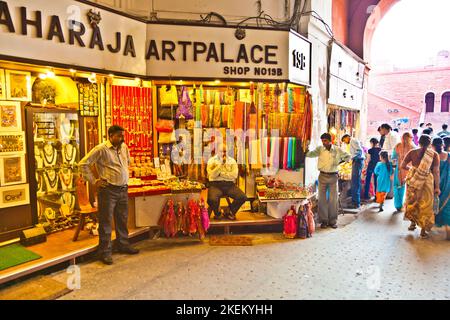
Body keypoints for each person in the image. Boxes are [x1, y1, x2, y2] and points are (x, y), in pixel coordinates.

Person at [79, 125, 139, 265]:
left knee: (122, 219)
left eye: (123, 135)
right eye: (119, 136)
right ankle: (104, 252)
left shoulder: (124, 147)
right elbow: (83, 164)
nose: (122, 138)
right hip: (108, 191)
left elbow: (127, 162)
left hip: (123, 189)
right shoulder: (101, 149)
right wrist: (94, 181)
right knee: (106, 222)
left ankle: (123, 245)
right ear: (110, 135)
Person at [306, 133, 351, 229]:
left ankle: (333, 221)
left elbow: (348, 156)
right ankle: (324, 221)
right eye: (322, 141)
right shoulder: (320, 149)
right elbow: (310, 154)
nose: (324, 143)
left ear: (331, 141)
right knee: (322, 199)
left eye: (325, 141)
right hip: (322, 176)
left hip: (333, 177)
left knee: (333, 200)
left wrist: (339, 162)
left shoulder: (337, 149)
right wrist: (306, 147)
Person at [401, 135, 440, 239]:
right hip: (427, 181)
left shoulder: (412, 152)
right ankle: (423, 231)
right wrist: (437, 187)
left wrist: (413, 169)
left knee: (412, 202)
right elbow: (436, 171)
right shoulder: (434, 155)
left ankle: (412, 223)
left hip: (413, 179)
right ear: (430, 143)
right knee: (425, 205)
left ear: (419, 142)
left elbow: (402, 166)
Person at [207, 144, 247, 221]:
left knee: (242, 197)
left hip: (229, 185)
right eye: (221, 151)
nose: (223, 153)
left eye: (225, 151)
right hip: (215, 185)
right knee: (211, 199)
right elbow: (211, 175)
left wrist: (220, 174)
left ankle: (230, 211)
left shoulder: (232, 161)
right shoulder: (211, 161)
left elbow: (234, 175)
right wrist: (220, 165)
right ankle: (217, 213)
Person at [392, 132, 415, 213]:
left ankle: (398, 205)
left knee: (398, 187)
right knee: (409, 188)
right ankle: (408, 207)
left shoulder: (398, 146)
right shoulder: (413, 147)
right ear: (410, 138)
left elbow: (393, 157)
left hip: (399, 169)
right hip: (410, 169)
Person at [432, 138, 450, 240]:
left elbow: (435, 172)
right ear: (443, 145)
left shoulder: (433, 156)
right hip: (448, 184)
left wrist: (437, 186)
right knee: (447, 205)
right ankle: (448, 227)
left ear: (432, 145)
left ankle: (437, 223)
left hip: (436, 185)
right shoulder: (448, 155)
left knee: (435, 204)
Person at [341, 134, 365, 209]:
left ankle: (356, 203)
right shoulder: (352, 142)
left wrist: (351, 158)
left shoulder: (353, 141)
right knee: (355, 182)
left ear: (347, 137)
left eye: (345, 140)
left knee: (355, 182)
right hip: (356, 161)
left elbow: (359, 151)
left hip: (358, 161)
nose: (345, 142)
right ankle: (355, 201)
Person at [380, 123, 400, 199]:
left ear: (384, 129)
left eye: (381, 129)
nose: (381, 131)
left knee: (390, 177)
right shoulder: (390, 135)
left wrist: (385, 154)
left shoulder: (392, 135)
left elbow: (394, 149)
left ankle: (390, 193)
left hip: (390, 159)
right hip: (388, 158)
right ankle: (389, 193)